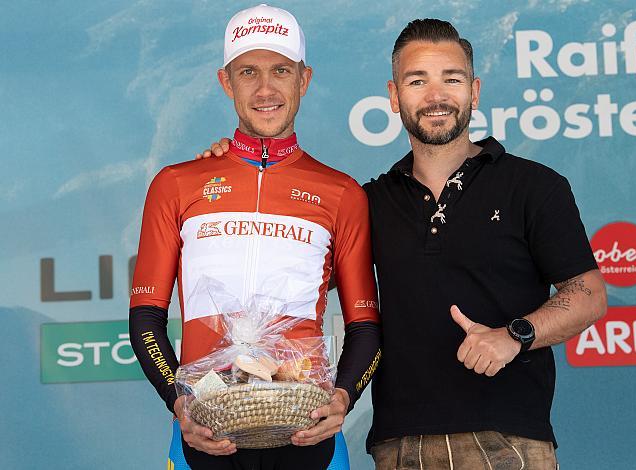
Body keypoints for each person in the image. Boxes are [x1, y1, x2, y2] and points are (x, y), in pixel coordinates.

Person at [201, 17, 607, 470]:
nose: (435, 96)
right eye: (417, 81)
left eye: (450, 79)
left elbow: (587, 295)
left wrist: (513, 337)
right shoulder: (367, 200)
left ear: (474, 91)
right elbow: (296, 280)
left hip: (508, 439)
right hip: (398, 445)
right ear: (395, 97)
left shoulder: (535, 187)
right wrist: (236, 165)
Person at [129, 4, 380, 469]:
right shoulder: (177, 184)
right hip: (204, 432)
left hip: (308, 436)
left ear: (304, 80)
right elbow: (146, 319)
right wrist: (178, 402)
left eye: (281, 71)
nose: (266, 89)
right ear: (226, 82)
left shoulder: (342, 193)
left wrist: (342, 398)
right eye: (248, 72)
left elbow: (365, 327)